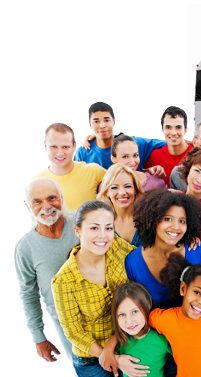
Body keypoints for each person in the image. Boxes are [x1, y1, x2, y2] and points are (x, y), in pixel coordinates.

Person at [52, 200, 135, 377]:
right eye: (94, 228)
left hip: (127, 341)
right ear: (77, 231)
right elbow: (73, 332)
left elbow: (143, 258)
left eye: (108, 228)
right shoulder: (64, 281)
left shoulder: (116, 246)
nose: (103, 235)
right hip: (91, 359)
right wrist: (110, 356)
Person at [15, 178, 78, 362]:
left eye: (52, 198)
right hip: (68, 329)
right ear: (27, 206)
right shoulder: (25, 248)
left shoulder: (82, 223)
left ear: (61, 197)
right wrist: (38, 337)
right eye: (37, 201)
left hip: (107, 318)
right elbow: (29, 294)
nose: (47, 206)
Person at [126, 188, 201, 309]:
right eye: (167, 219)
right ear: (153, 220)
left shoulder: (195, 249)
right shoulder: (133, 262)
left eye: (182, 221)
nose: (176, 227)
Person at [74, 102, 166, 169]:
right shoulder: (83, 152)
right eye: (96, 121)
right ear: (90, 124)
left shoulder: (132, 144)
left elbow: (168, 143)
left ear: (114, 121)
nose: (102, 125)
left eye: (106, 120)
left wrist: (147, 171)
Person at [38, 122, 106, 211]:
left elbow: (124, 180)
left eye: (65, 147)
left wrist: (100, 139)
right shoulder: (38, 182)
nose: (60, 153)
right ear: (45, 146)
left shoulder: (93, 171)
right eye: (54, 147)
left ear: (74, 146)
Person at [110, 282, 172, 377]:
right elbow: (108, 361)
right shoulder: (121, 340)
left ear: (147, 307)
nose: (129, 321)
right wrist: (117, 359)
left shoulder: (161, 338)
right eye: (122, 314)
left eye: (135, 311)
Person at [144, 106, 194, 185]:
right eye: (168, 127)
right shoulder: (154, 156)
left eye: (178, 127)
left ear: (186, 129)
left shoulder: (196, 154)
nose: (173, 132)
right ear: (162, 129)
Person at [97, 163, 144, 247]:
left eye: (127, 186)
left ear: (135, 189)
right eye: (114, 187)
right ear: (107, 192)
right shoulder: (100, 223)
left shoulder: (148, 218)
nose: (122, 193)